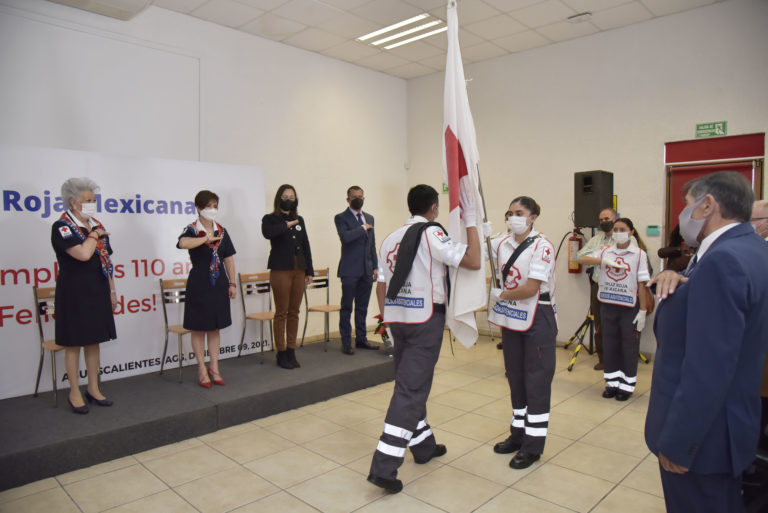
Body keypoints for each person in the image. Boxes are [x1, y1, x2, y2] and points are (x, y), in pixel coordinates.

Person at [646, 172, 768, 513]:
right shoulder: (751, 249)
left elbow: (708, 367)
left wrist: (681, 442)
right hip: (728, 427)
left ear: (708, 205)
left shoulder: (723, 260)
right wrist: (680, 282)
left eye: (687, 206)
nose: (683, 216)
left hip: (702, 440)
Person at [367, 184, 482, 493]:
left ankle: (423, 446)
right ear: (433, 208)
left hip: (397, 320)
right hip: (424, 320)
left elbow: (381, 283)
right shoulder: (432, 233)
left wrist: (386, 318)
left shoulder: (391, 237)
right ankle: (384, 466)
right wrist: (471, 219)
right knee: (411, 389)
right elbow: (472, 259)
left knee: (410, 382)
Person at [488, 196, 557, 470]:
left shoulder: (543, 246)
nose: (513, 217)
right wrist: (476, 230)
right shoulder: (501, 242)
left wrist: (500, 294)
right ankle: (517, 435)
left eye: (519, 212)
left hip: (537, 316)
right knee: (515, 378)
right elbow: (471, 251)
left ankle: (533, 446)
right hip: (511, 317)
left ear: (533, 216)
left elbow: (530, 288)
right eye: (510, 213)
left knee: (536, 383)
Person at [51, 177, 117, 414]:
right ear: (73, 202)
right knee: (74, 343)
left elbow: (105, 260)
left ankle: (93, 388)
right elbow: (82, 254)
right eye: (88, 200)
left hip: (97, 290)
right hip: (74, 292)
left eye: (93, 199)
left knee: (93, 341)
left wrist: (112, 289)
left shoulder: (95, 225)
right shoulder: (62, 227)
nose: (92, 204)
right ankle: (74, 392)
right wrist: (94, 234)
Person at [578, 217, 649, 401]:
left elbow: (642, 284)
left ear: (631, 232)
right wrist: (603, 261)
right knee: (610, 345)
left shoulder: (639, 254)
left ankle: (626, 385)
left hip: (629, 307)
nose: (618, 233)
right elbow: (581, 258)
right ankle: (611, 383)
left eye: (622, 229)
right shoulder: (605, 251)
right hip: (608, 305)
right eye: (615, 230)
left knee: (628, 346)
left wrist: (642, 311)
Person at [177, 190, 236, 388]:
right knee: (198, 327)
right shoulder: (192, 229)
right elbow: (182, 243)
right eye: (208, 206)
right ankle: (202, 368)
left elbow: (228, 257)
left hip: (218, 282)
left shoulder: (222, 230)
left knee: (214, 327)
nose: (212, 210)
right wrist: (205, 239)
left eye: (215, 206)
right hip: (199, 282)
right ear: (198, 208)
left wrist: (232, 282)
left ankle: (215, 367)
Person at [262, 184, 314, 370]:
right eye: (285, 196)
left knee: (294, 311)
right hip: (280, 269)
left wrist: (309, 271)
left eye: (292, 196)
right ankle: (281, 352)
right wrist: (286, 225)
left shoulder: (299, 219)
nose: (289, 199)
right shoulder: (270, 219)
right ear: (279, 198)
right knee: (282, 312)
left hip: (299, 269)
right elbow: (268, 233)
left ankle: (291, 350)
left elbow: (305, 244)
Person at [334, 186, 378, 355]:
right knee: (347, 308)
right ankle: (346, 342)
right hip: (349, 270)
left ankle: (361, 339)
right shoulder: (341, 218)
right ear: (348, 200)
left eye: (360, 196)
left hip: (366, 270)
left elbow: (372, 245)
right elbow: (345, 238)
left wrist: (375, 266)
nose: (358, 199)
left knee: (362, 307)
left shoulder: (370, 218)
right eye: (354, 197)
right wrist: (362, 229)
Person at [575, 207, 618, 370]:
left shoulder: (624, 238)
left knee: (617, 323)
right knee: (600, 323)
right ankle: (604, 358)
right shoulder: (596, 240)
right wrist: (601, 260)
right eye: (601, 220)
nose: (604, 222)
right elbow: (580, 257)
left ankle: (619, 358)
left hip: (617, 288)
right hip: (598, 286)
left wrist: (598, 256)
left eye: (607, 219)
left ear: (615, 218)